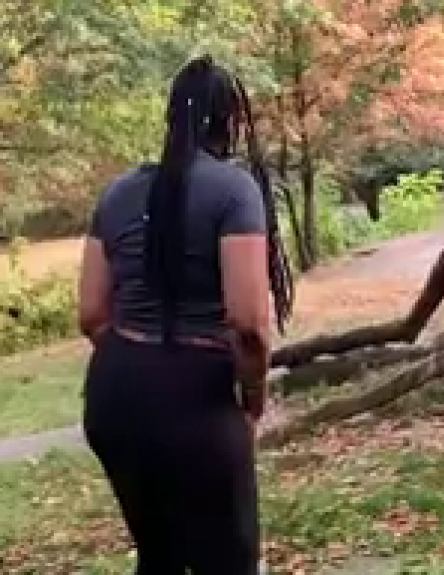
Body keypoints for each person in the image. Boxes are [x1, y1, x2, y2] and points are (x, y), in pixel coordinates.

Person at [76, 54, 294, 574]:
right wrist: (254, 399)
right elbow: (248, 324)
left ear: (172, 118)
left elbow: (90, 313)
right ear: (230, 121)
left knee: (161, 557)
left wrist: (140, 363)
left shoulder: (118, 191)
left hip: (113, 398)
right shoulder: (234, 189)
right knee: (231, 560)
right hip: (196, 400)